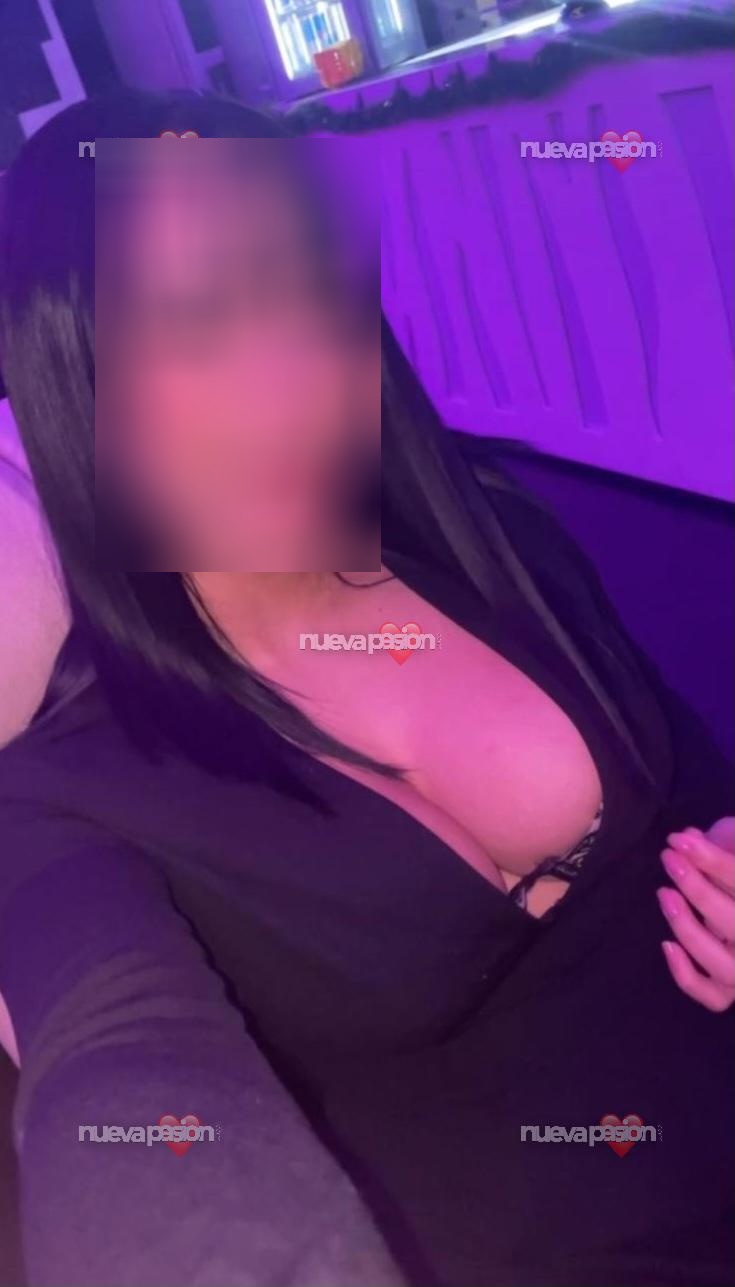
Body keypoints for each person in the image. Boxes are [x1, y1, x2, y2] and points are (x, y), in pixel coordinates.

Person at [0, 89, 732, 1287]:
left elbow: (691, 784)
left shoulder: (499, 538)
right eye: (194, 318)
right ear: (79, 372)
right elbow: (118, 1071)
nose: (286, 372)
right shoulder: (68, 793)